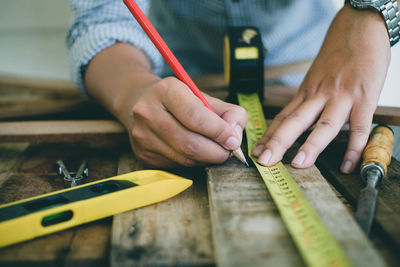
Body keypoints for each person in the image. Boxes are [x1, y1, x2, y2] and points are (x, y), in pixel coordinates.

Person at [67, 0, 399, 172]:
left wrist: (373, 11)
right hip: (180, 83)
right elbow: (101, 18)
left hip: (316, 74)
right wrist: (132, 91)